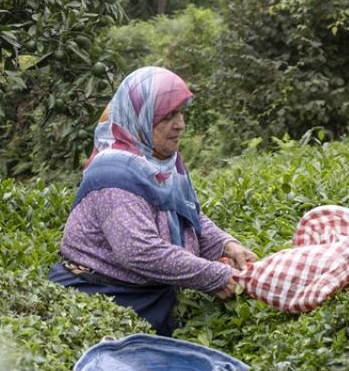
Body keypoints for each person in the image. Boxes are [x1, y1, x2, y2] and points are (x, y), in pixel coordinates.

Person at [48, 66, 256, 336]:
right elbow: (140, 251)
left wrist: (226, 245)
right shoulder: (113, 172)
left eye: (181, 113)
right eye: (169, 116)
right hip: (99, 295)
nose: (180, 124)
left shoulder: (157, 160)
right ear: (142, 117)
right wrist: (215, 276)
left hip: (146, 295)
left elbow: (184, 212)